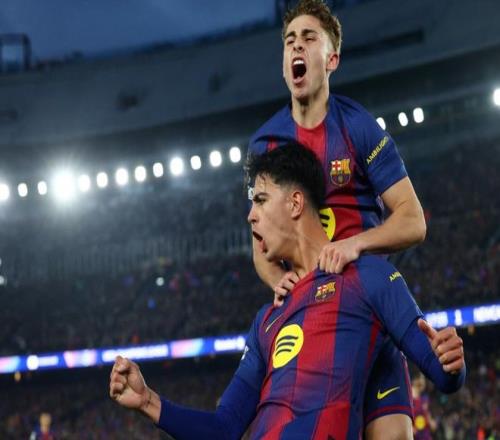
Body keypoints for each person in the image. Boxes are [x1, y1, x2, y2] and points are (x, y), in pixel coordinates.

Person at [110, 144, 465, 439]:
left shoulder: (368, 278)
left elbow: (442, 372)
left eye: (261, 200)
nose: (250, 216)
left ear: (295, 203)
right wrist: (147, 401)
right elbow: (223, 428)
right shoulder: (267, 319)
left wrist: (450, 360)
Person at [247, 1, 426, 437]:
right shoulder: (265, 144)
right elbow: (259, 245)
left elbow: (413, 220)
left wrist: (354, 244)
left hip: (368, 309)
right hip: (313, 322)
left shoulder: (358, 127)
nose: (297, 46)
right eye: (290, 40)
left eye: (309, 38)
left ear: (332, 60)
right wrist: (278, 281)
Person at [411, 372, 437, 439]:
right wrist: (411, 429)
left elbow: (429, 418)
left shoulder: (425, 399)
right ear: (415, 380)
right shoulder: (407, 399)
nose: (424, 382)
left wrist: (431, 422)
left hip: (425, 436)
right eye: (422, 378)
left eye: (424, 379)